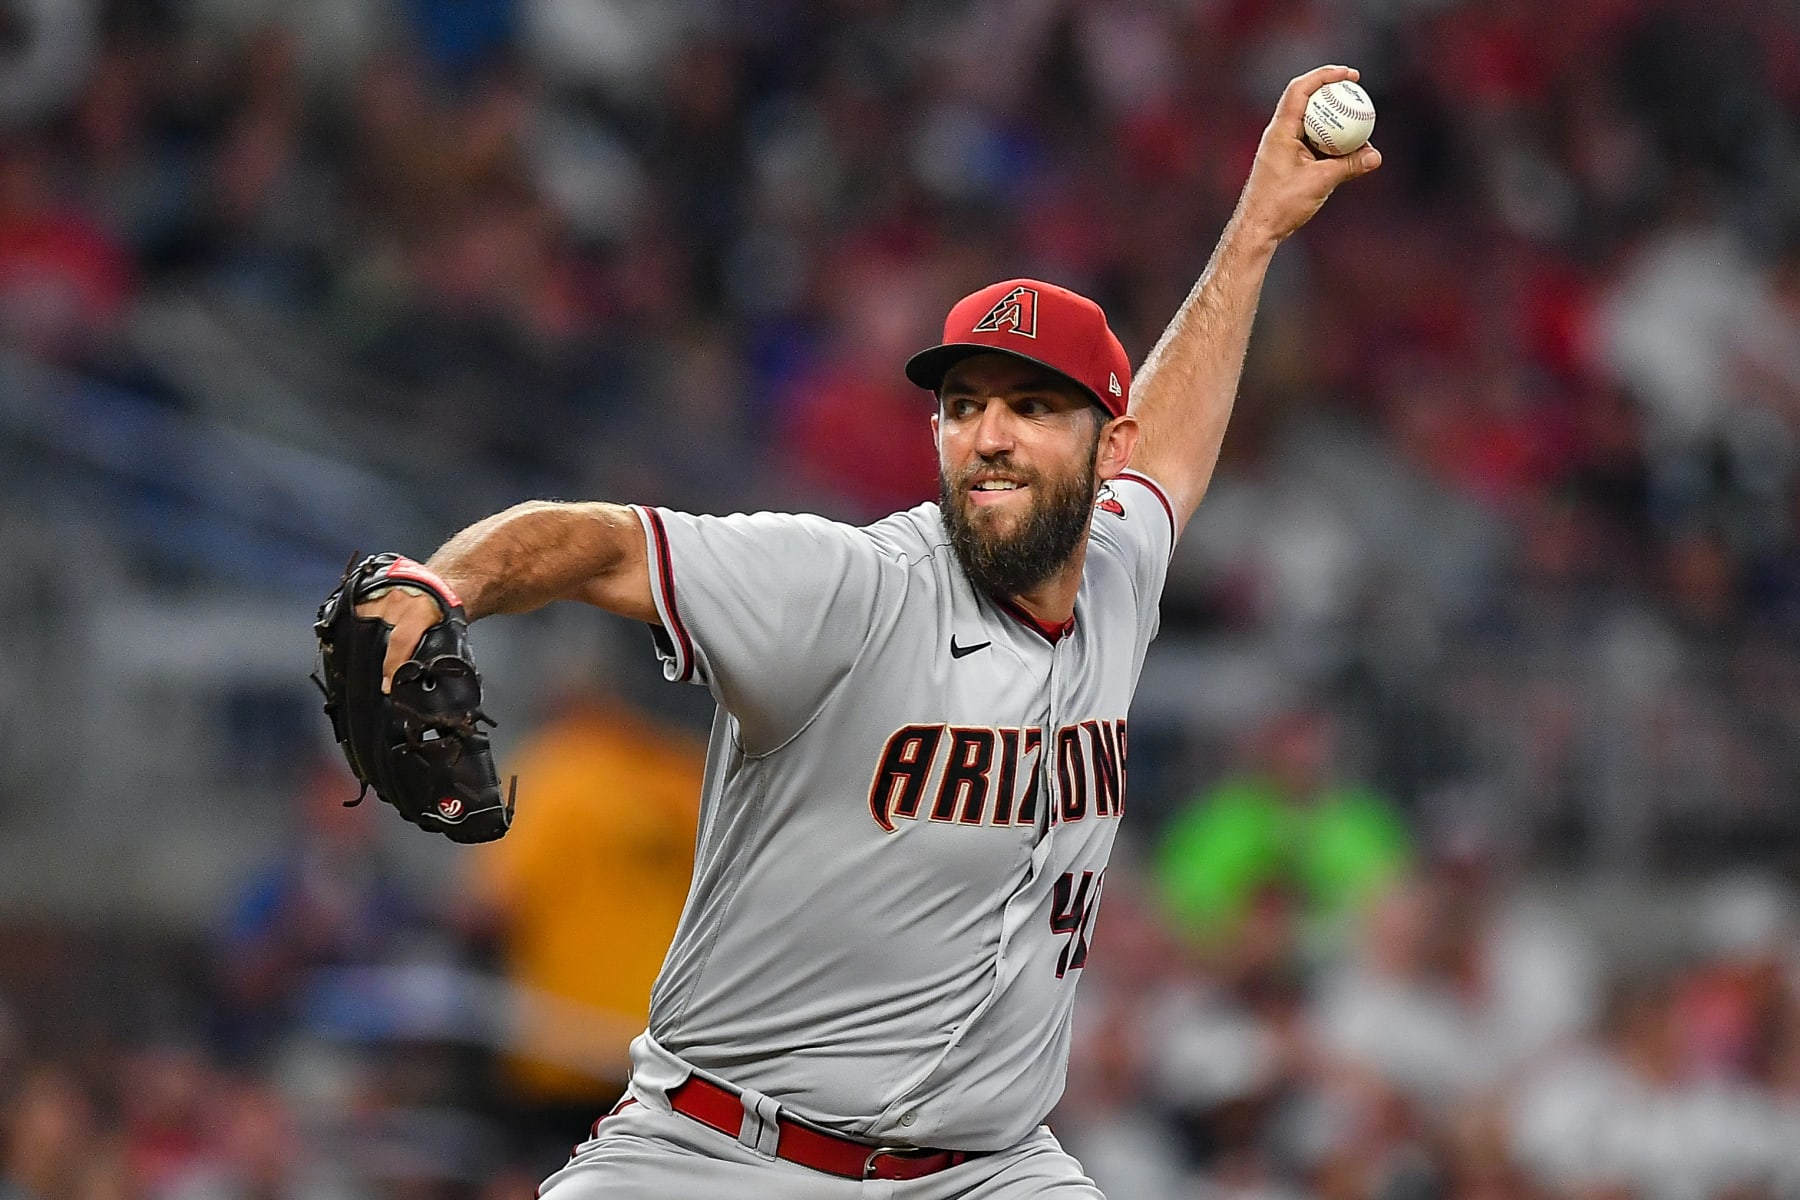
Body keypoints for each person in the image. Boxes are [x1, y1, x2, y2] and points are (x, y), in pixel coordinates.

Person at [356, 66, 1379, 1199]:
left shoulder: (1124, 565)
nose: (989, 435)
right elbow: (598, 543)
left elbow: (1177, 446)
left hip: (986, 1172)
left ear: (1105, 447)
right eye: (963, 405)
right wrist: (435, 585)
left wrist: (1257, 229)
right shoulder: (847, 588)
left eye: (1033, 407)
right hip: (723, 1154)